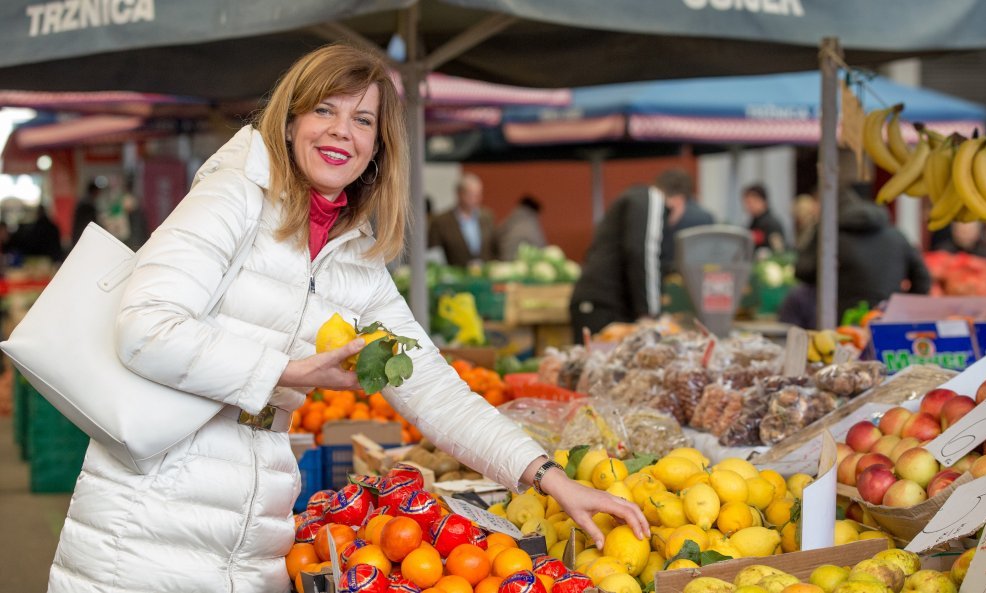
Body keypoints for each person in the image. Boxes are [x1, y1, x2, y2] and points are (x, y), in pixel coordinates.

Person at [47, 44, 646, 593]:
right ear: (288, 121)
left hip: (256, 524)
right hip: (150, 514)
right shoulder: (231, 198)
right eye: (325, 111)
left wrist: (548, 477)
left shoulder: (354, 256)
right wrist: (293, 371)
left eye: (363, 121)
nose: (343, 132)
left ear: (380, 145)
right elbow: (145, 329)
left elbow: (432, 388)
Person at [569, 168, 713, 335]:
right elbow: (643, 252)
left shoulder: (635, 200)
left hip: (596, 304)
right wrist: (650, 313)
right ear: (680, 201)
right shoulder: (653, 198)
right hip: (605, 307)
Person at [779, 185, 931, 329]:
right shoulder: (897, 236)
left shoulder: (828, 235)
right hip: (886, 322)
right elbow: (923, 279)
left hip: (842, 324)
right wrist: (898, 307)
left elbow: (802, 270)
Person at [427, 172, 497, 266]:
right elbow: (433, 254)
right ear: (459, 194)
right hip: (454, 275)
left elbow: (494, 247)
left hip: (484, 275)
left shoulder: (487, 217)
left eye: (478, 195)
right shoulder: (440, 222)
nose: (476, 199)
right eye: (471, 195)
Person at [496, 194, 547, 260]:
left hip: (502, 263)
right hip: (520, 265)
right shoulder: (531, 225)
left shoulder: (509, 220)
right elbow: (542, 248)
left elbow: (496, 238)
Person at [741, 183, 787, 252]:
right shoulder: (753, 222)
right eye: (747, 203)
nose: (749, 206)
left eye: (752, 202)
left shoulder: (772, 224)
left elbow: (779, 251)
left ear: (763, 201)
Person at [71, 179, 100, 246]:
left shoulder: (83, 202)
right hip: (84, 237)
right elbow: (91, 223)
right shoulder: (88, 205)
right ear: (94, 191)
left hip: (79, 236)